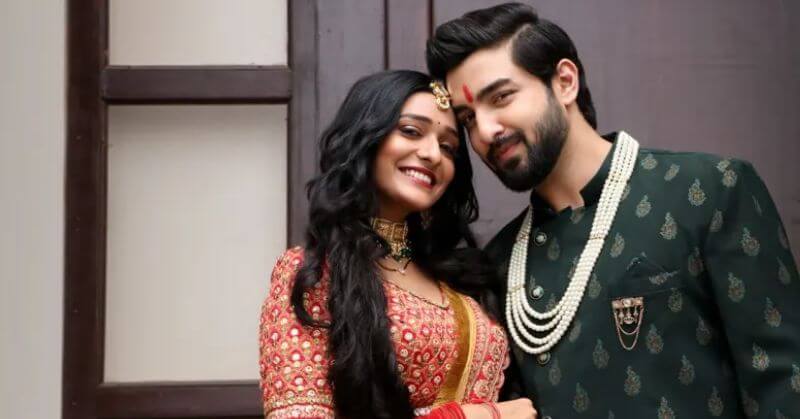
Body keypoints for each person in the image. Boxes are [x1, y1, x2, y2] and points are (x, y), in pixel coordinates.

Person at [426, 3, 800, 417]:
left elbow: (784, 382)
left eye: (501, 97)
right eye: (468, 118)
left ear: (564, 82)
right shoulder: (501, 263)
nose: (485, 131)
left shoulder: (708, 191)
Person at [259, 70, 537, 419]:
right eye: (411, 131)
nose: (433, 154)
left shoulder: (458, 277)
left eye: (448, 147)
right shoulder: (313, 274)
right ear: (366, 138)